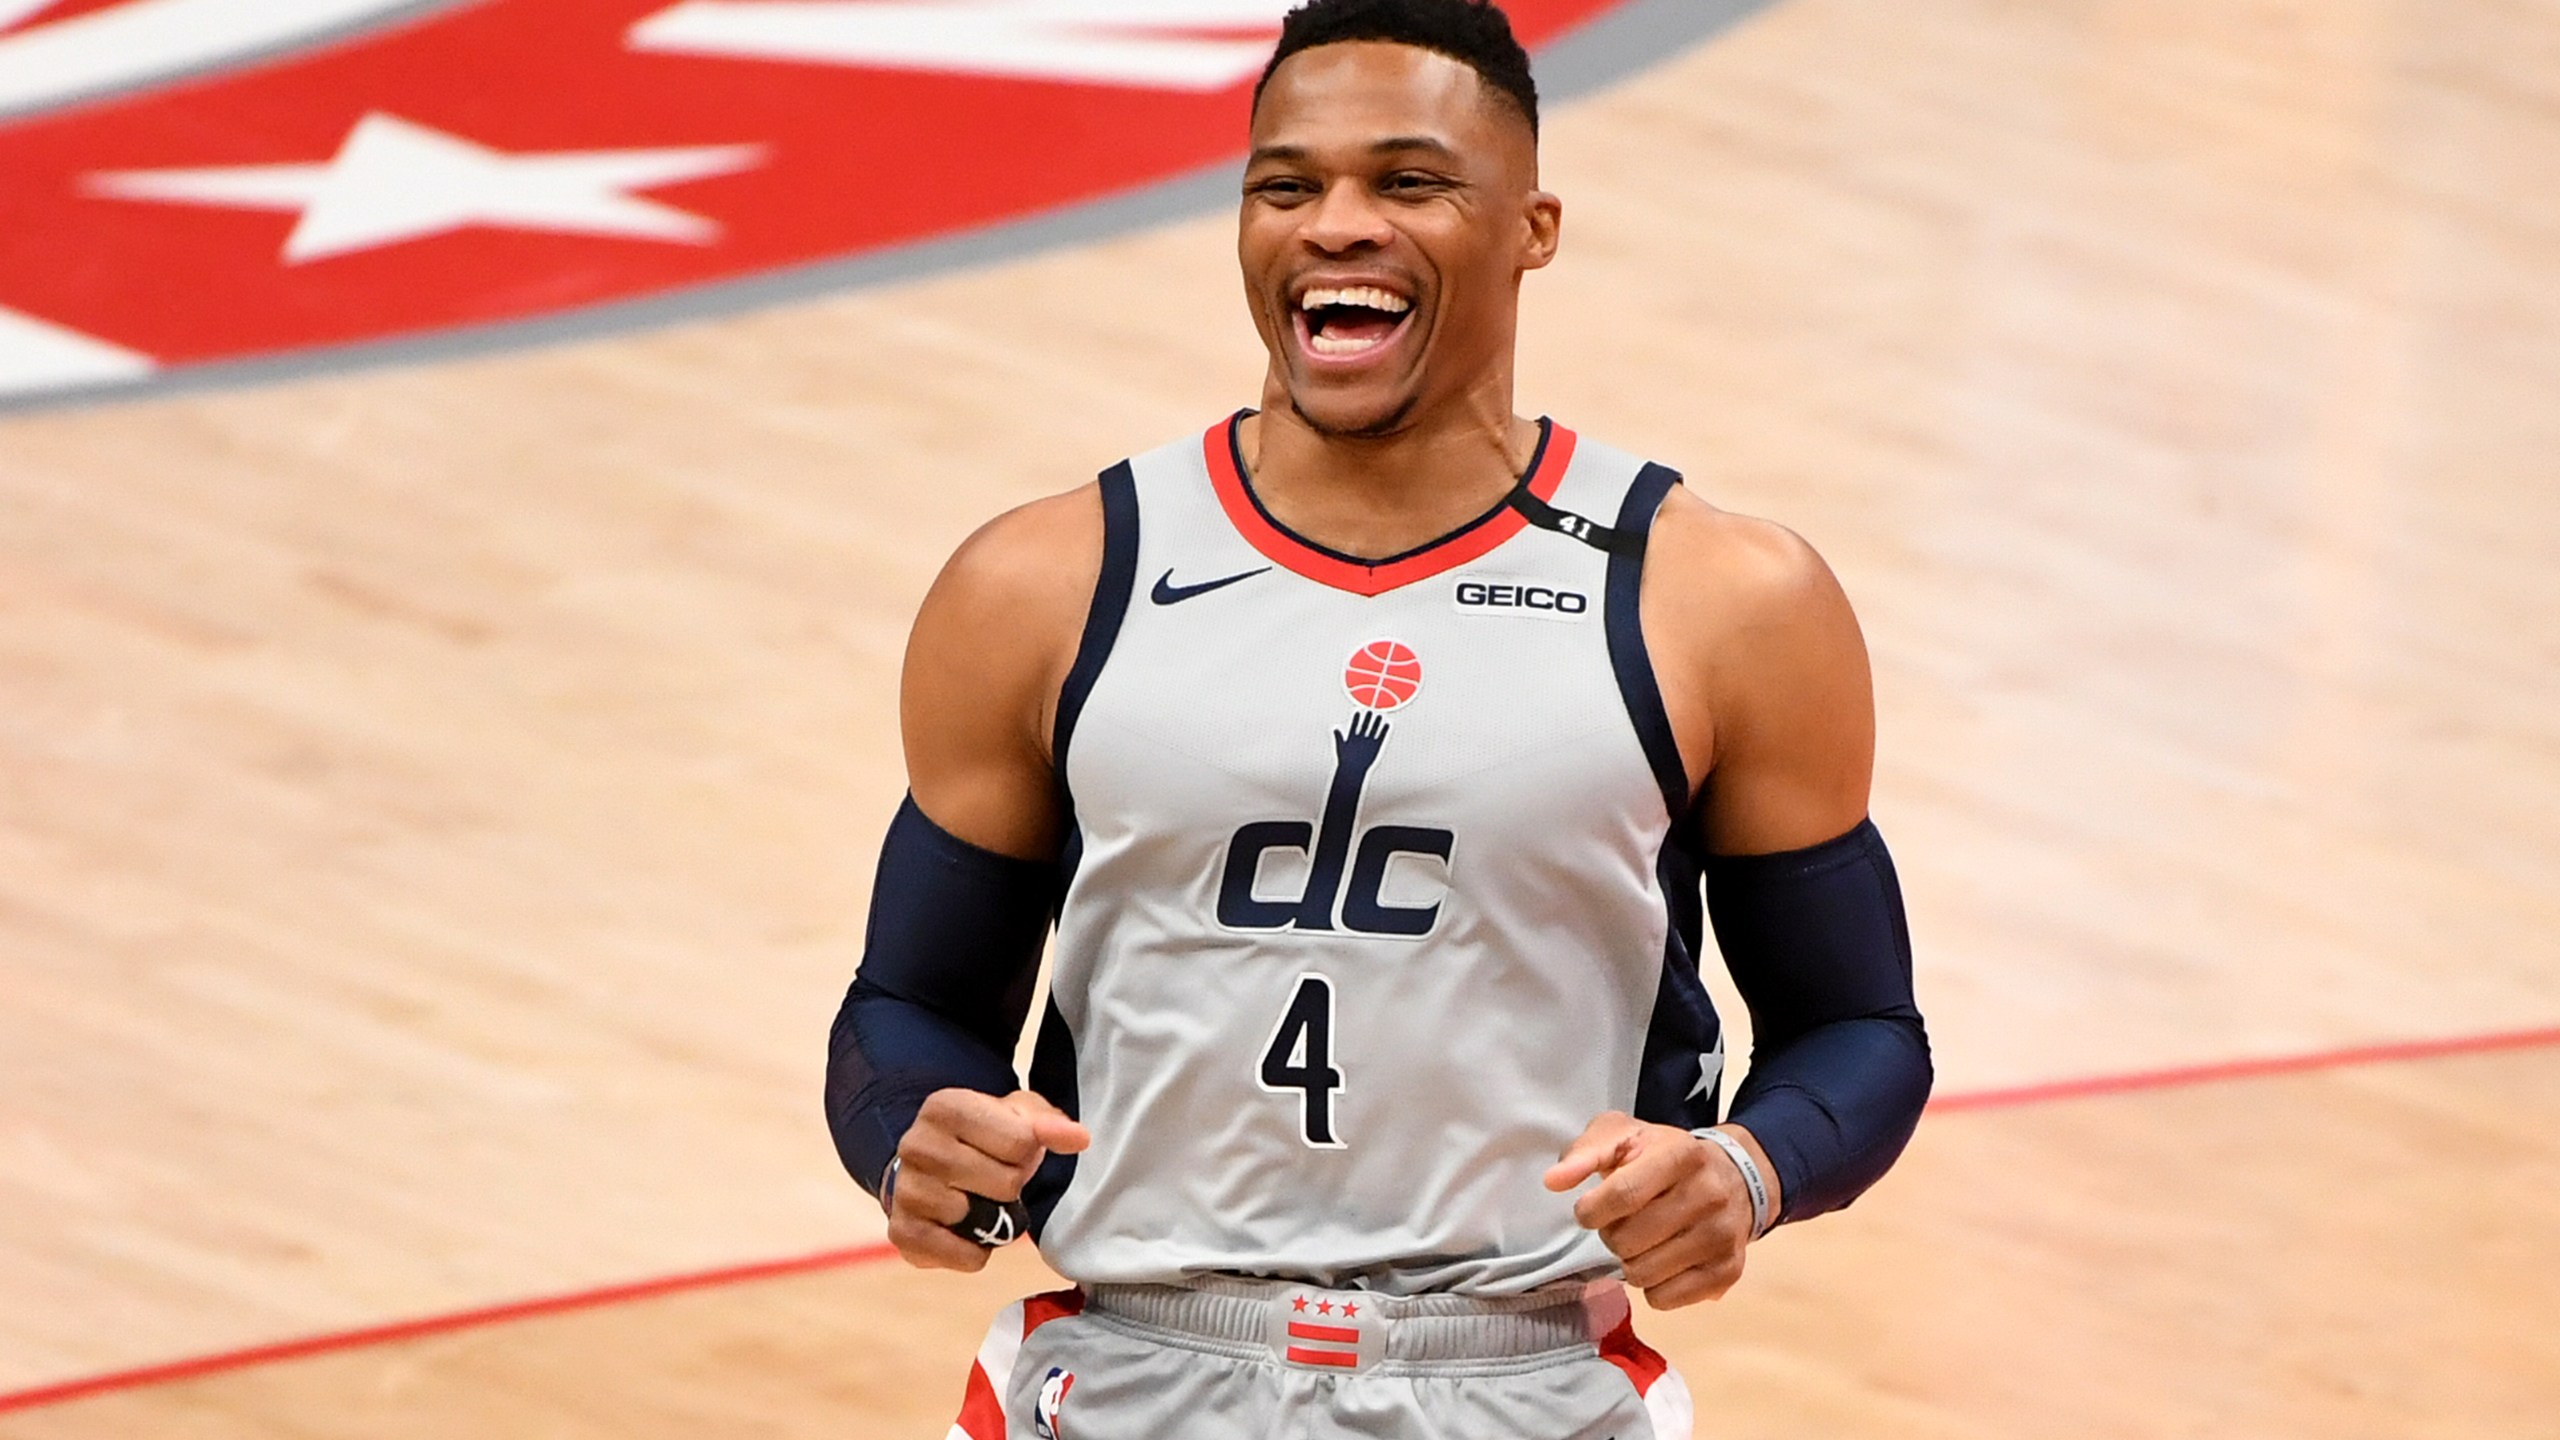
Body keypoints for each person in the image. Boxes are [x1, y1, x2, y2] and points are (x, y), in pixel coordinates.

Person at [825, 2, 1931, 1435]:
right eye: (1287, 186)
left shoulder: (1724, 598)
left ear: (1533, 227)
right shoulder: (1041, 582)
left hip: (1521, 1378)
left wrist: (1750, 1170)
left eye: (1407, 183)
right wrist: (911, 1135)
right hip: (1127, 1372)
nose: (1336, 224)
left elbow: (1859, 1026)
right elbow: (908, 1012)